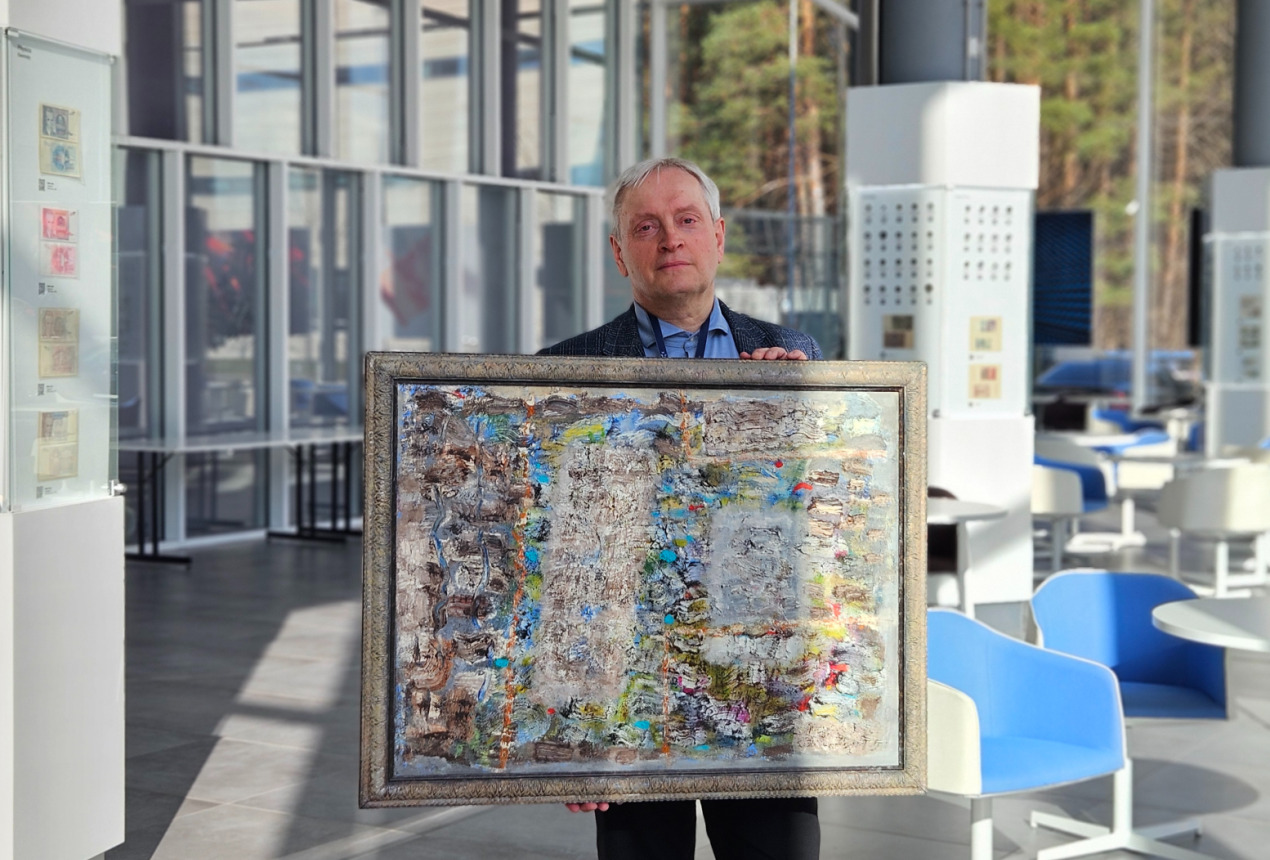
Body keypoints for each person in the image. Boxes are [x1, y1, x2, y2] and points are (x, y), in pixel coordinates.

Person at [539, 156, 822, 860]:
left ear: (718, 236)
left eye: (687, 221)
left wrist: (803, 418)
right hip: (629, 703)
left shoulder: (793, 357)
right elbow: (559, 559)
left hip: (759, 686)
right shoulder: (566, 371)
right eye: (647, 226)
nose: (670, 239)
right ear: (619, 251)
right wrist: (574, 722)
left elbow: (835, 523)